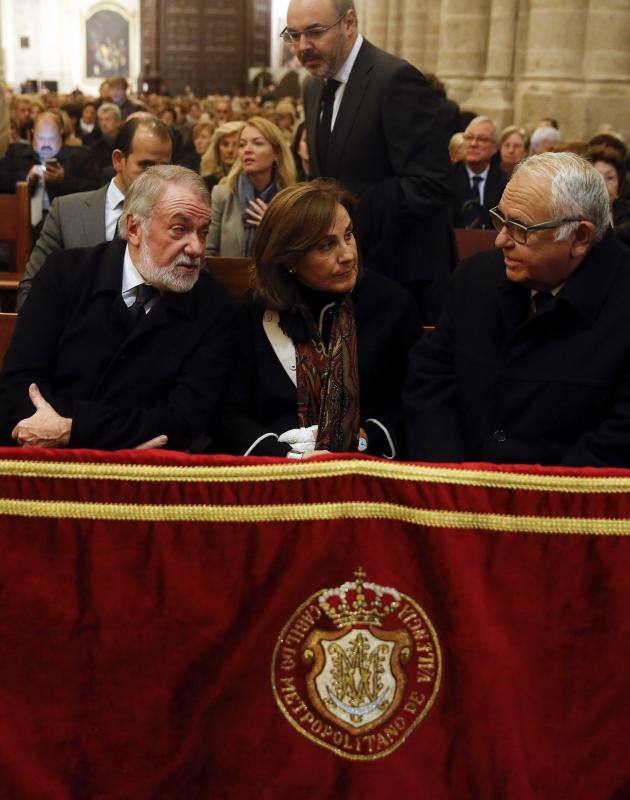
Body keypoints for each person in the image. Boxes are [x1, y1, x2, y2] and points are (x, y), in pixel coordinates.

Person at [404, 152, 630, 467]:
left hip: (566, 506)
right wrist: (453, 478)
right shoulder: (475, 279)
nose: (500, 240)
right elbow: (430, 381)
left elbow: (619, 438)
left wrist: (530, 501)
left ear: (579, 237)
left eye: (520, 228)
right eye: (501, 219)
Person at [0, 165, 236, 451]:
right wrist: (126, 434)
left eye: (203, 232)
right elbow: (22, 385)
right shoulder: (66, 273)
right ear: (134, 228)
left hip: (144, 477)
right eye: (180, 229)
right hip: (43, 459)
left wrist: (73, 431)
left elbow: (183, 419)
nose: (197, 248)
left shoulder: (215, 306)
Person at [217, 179, 420, 458]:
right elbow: (228, 413)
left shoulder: (392, 305)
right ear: (288, 259)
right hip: (274, 475)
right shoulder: (253, 312)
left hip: (366, 470)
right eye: (326, 246)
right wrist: (280, 455)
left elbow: (414, 402)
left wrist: (367, 438)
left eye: (348, 235)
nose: (348, 255)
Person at [285, 0, 453, 323]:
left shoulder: (396, 80)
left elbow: (430, 185)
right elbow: (328, 179)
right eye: (293, 35)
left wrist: (344, 214)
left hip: (397, 278)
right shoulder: (312, 87)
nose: (302, 46)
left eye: (315, 32)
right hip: (341, 276)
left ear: (349, 23)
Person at [17, 117, 174, 310]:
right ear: (118, 160)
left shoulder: (178, 220)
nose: (155, 178)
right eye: (145, 166)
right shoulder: (67, 212)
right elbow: (30, 290)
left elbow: (193, 296)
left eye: (163, 168)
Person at [206, 116, 296, 258]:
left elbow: (298, 258)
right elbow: (207, 253)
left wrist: (273, 229)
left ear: (276, 153)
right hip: (228, 279)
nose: (247, 150)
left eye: (258, 143)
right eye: (242, 145)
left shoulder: (292, 200)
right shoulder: (222, 193)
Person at [0, 110, 100, 202]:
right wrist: (27, 177)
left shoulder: (81, 157)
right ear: (33, 133)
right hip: (22, 217)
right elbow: (3, 182)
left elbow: (96, 190)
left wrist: (65, 179)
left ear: (61, 132)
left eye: (52, 138)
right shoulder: (14, 153)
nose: (46, 144)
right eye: (41, 138)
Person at [452, 116, 508, 229]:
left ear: (495, 147)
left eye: (482, 139)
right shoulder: (448, 177)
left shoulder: (505, 183)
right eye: (469, 137)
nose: (473, 143)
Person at [586, 144, 630, 246]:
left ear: (619, 183)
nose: (604, 184)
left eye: (610, 178)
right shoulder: (578, 213)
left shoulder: (627, 211)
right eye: (597, 177)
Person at [200, 120, 242, 192]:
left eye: (236, 145)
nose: (230, 150)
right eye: (225, 144)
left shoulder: (252, 182)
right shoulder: (206, 183)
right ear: (217, 149)